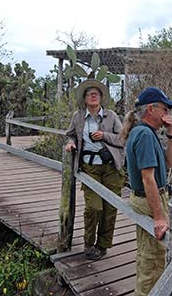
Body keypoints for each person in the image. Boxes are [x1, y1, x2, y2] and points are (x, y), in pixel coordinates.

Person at [122, 87, 172, 296]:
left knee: (149, 254)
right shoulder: (144, 135)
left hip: (150, 198)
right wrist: (159, 217)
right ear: (150, 109)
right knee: (153, 261)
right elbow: (148, 178)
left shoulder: (149, 133)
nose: (167, 114)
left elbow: (171, 162)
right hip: (149, 200)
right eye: (164, 109)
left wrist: (171, 134)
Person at [65, 79, 125, 260]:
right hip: (89, 168)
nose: (93, 95)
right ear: (84, 98)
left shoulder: (111, 116)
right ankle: (89, 243)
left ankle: (103, 245)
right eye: (89, 93)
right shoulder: (78, 116)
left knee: (109, 209)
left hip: (110, 169)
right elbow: (69, 135)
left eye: (96, 93)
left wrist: (104, 135)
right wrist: (70, 143)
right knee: (93, 208)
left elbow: (123, 139)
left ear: (101, 98)